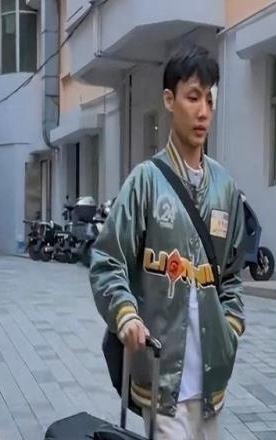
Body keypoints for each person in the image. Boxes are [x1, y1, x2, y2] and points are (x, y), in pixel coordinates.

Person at [90, 43, 246, 439]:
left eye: (209, 99)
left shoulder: (225, 188)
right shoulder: (145, 182)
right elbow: (108, 260)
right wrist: (126, 315)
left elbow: (232, 274)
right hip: (161, 378)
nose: (203, 111)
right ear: (169, 100)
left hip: (212, 380)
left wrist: (230, 328)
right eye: (193, 97)